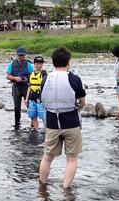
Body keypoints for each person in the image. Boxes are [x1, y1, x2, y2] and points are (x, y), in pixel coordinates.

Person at [39, 47, 86, 189]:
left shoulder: (45, 79)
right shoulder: (74, 79)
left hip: (52, 122)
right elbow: (82, 102)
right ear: (69, 62)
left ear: (53, 62)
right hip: (71, 122)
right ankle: (66, 189)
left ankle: (42, 186)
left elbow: (43, 100)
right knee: (71, 158)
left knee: (47, 157)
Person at [6, 47, 33, 129]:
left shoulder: (28, 65)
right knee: (17, 108)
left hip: (26, 88)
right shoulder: (12, 64)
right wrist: (15, 78)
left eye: (22, 55)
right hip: (16, 88)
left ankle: (32, 124)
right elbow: (7, 76)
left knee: (29, 106)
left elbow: (32, 77)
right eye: (20, 55)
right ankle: (17, 125)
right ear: (17, 55)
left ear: (25, 55)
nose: (21, 56)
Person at [24, 56, 48, 131]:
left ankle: (46, 130)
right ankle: (36, 130)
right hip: (32, 97)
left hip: (41, 97)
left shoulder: (44, 74)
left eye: (41, 63)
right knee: (33, 115)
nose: (39, 65)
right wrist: (26, 98)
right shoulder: (31, 74)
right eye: (37, 63)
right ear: (34, 64)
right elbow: (29, 87)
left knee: (43, 116)